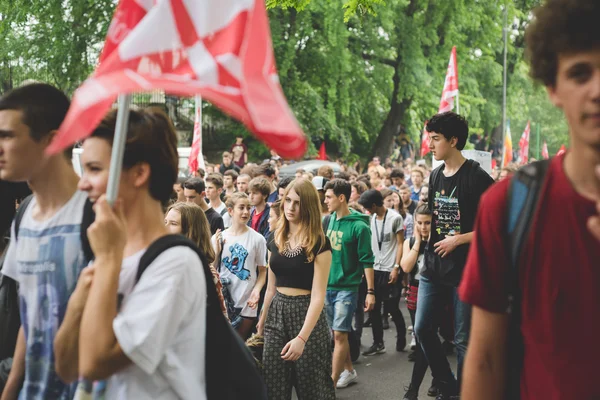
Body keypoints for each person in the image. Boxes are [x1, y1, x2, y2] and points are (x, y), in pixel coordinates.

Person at [460, 1, 600, 399]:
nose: (597, 89)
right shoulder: (509, 205)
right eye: (579, 73)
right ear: (553, 88)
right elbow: (484, 358)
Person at [56, 108, 209, 398]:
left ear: (139, 173)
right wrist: (78, 302)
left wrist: (109, 261)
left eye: (95, 169)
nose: (82, 183)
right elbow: (66, 367)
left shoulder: (176, 263)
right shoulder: (110, 249)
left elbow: (94, 363)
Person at [0, 83, 87, 400]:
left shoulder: (98, 216)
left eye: (8, 136)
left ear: (52, 141)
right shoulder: (25, 215)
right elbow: (31, 316)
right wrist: (11, 389)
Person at [414, 112, 494, 399]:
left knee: (463, 340)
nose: (430, 145)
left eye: (435, 139)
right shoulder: (435, 175)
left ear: (454, 140)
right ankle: (448, 383)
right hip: (433, 267)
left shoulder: (477, 177)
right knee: (422, 329)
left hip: (466, 271)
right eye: (430, 138)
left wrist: (459, 239)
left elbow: (497, 226)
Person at [257, 179, 335, 400]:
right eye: (288, 200)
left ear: (308, 206)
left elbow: (319, 296)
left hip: (307, 314)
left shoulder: (319, 242)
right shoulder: (275, 237)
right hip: (276, 314)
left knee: (313, 389)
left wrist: (302, 338)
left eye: (297, 203)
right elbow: (271, 288)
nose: (290, 207)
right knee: (273, 385)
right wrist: (263, 320)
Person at [323, 179, 375, 389]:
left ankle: (331, 384)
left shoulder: (360, 227)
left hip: (348, 288)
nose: (325, 200)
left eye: (329, 197)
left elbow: (367, 260)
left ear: (341, 198)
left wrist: (370, 291)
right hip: (327, 287)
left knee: (340, 333)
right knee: (334, 335)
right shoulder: (328, 221)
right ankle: (349, 371)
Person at [358, 190, 407, 356]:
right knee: (374, 308)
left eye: (367, 208)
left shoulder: (395, 218)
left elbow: (400, 244)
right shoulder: (370, 219)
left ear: (373, 205)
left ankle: (402, 338)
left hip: (390, 269)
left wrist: (396, 267)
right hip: (374, 269)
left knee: (392, 307)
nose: (366, 211)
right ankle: (378, 343)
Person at [212, 193, 267, 340]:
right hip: (223, 300)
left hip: (247, 301)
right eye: (241, 208)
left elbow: (263, 271)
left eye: (248, 208)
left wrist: (257, 291)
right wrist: (216, 253)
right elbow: (212, 269)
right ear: (230, 211)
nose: (246, 212)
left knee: (240, 344)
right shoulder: (219, 237)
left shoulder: (258, 239)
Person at [164, 202, 227, 317]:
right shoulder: (163, 262)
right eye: (165, 222)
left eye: (173, 223)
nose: (165, 228)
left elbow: (218, 320)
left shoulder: (205, 273)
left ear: (190, 231)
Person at [401, 204, 435, 400]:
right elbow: (406, 267)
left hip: (436, 293)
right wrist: (417, 243)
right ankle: (435, 380)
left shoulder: (439, 240)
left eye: (428, 223)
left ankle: (415, 388)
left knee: (427, 339)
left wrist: (430, 241)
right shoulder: (411, 241)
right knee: (424, 339)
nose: (423, 227)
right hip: (416, 291)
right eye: (420, 223)